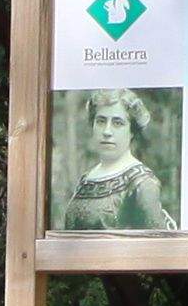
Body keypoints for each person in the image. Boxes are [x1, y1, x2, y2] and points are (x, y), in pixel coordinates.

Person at [55, 87, 176, 232]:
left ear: (132, 131)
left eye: (117, 123)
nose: (107, 131)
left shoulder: (142, 184)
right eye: (100, 121)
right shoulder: (87, 179)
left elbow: (155, 247)